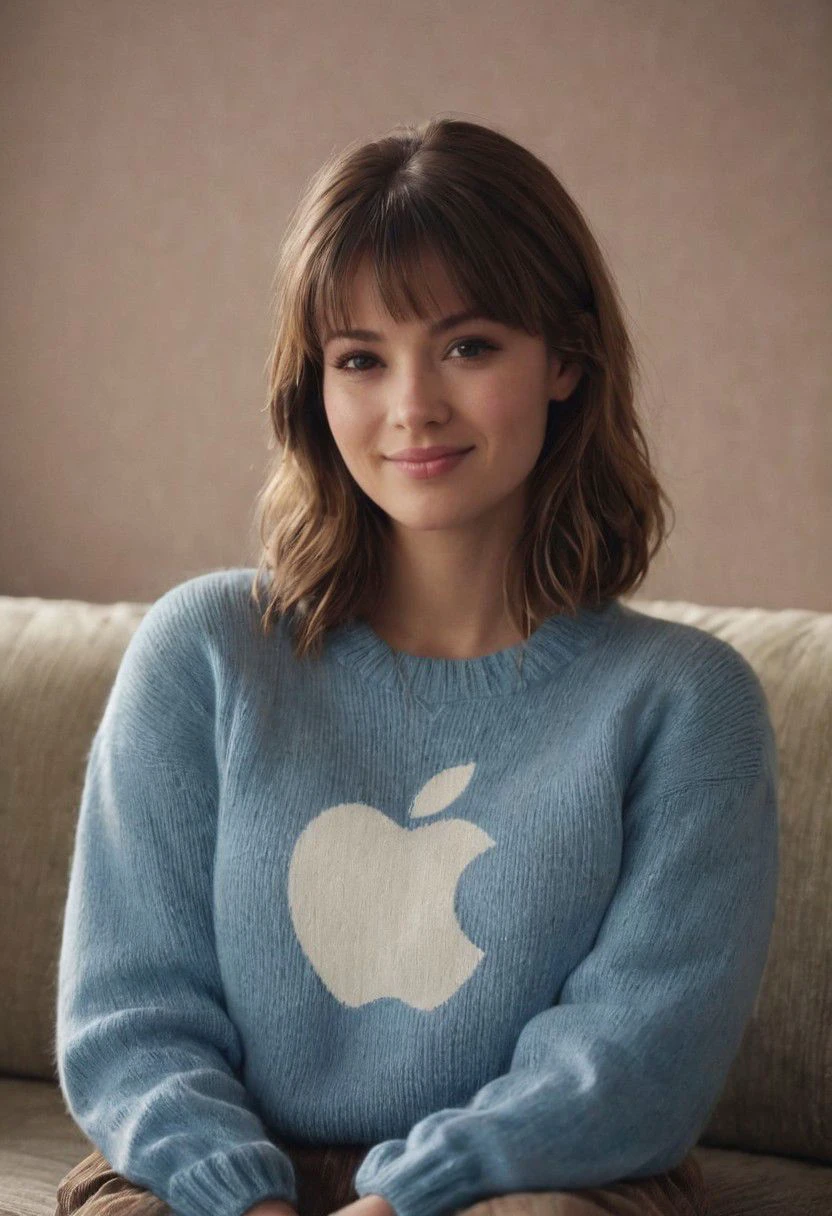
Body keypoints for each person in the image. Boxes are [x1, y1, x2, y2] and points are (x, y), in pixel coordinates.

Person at [54, 115, 779, 1216]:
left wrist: (406, 1199)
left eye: (467, 345)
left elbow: (638, 1051)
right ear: (315, 385)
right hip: (212, 1171)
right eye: (359, 358)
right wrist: (236, 1197)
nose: (411, 408)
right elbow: (129, 1012)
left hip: (534, 1178)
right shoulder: (204, 651)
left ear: (566, 359)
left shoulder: (684, 702)